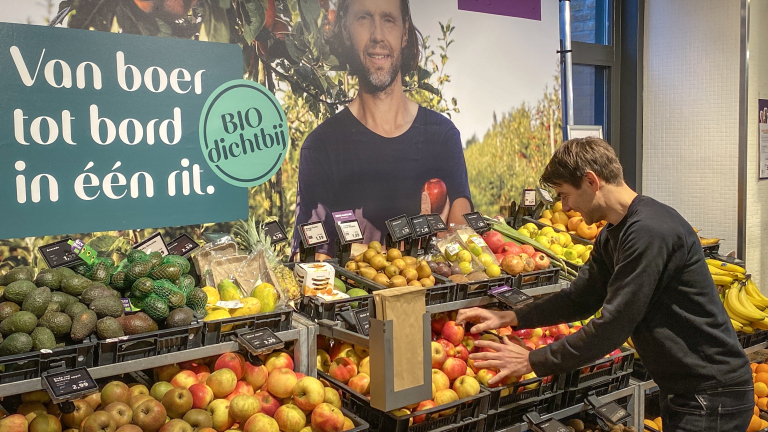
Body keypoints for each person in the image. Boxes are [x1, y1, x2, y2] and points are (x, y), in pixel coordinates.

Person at [457, 138, 752, 432]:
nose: (566, 206)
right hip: (686, 389)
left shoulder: (649, 231)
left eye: (565, 195)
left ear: (591, 181)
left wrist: (534, 360)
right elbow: (581, 298)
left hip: (711, 392)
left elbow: (614, 325)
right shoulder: (612, 233)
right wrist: (513, 316)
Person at [291, 0, 472, 260]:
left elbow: (461, 233)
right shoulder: (322, 146)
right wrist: (405, 253)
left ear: (405, 32)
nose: (377, 35)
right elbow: (308, 258)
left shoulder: (441, 135)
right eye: (364, 18)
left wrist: (444, 238)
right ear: (345, 31)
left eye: (388, 19)